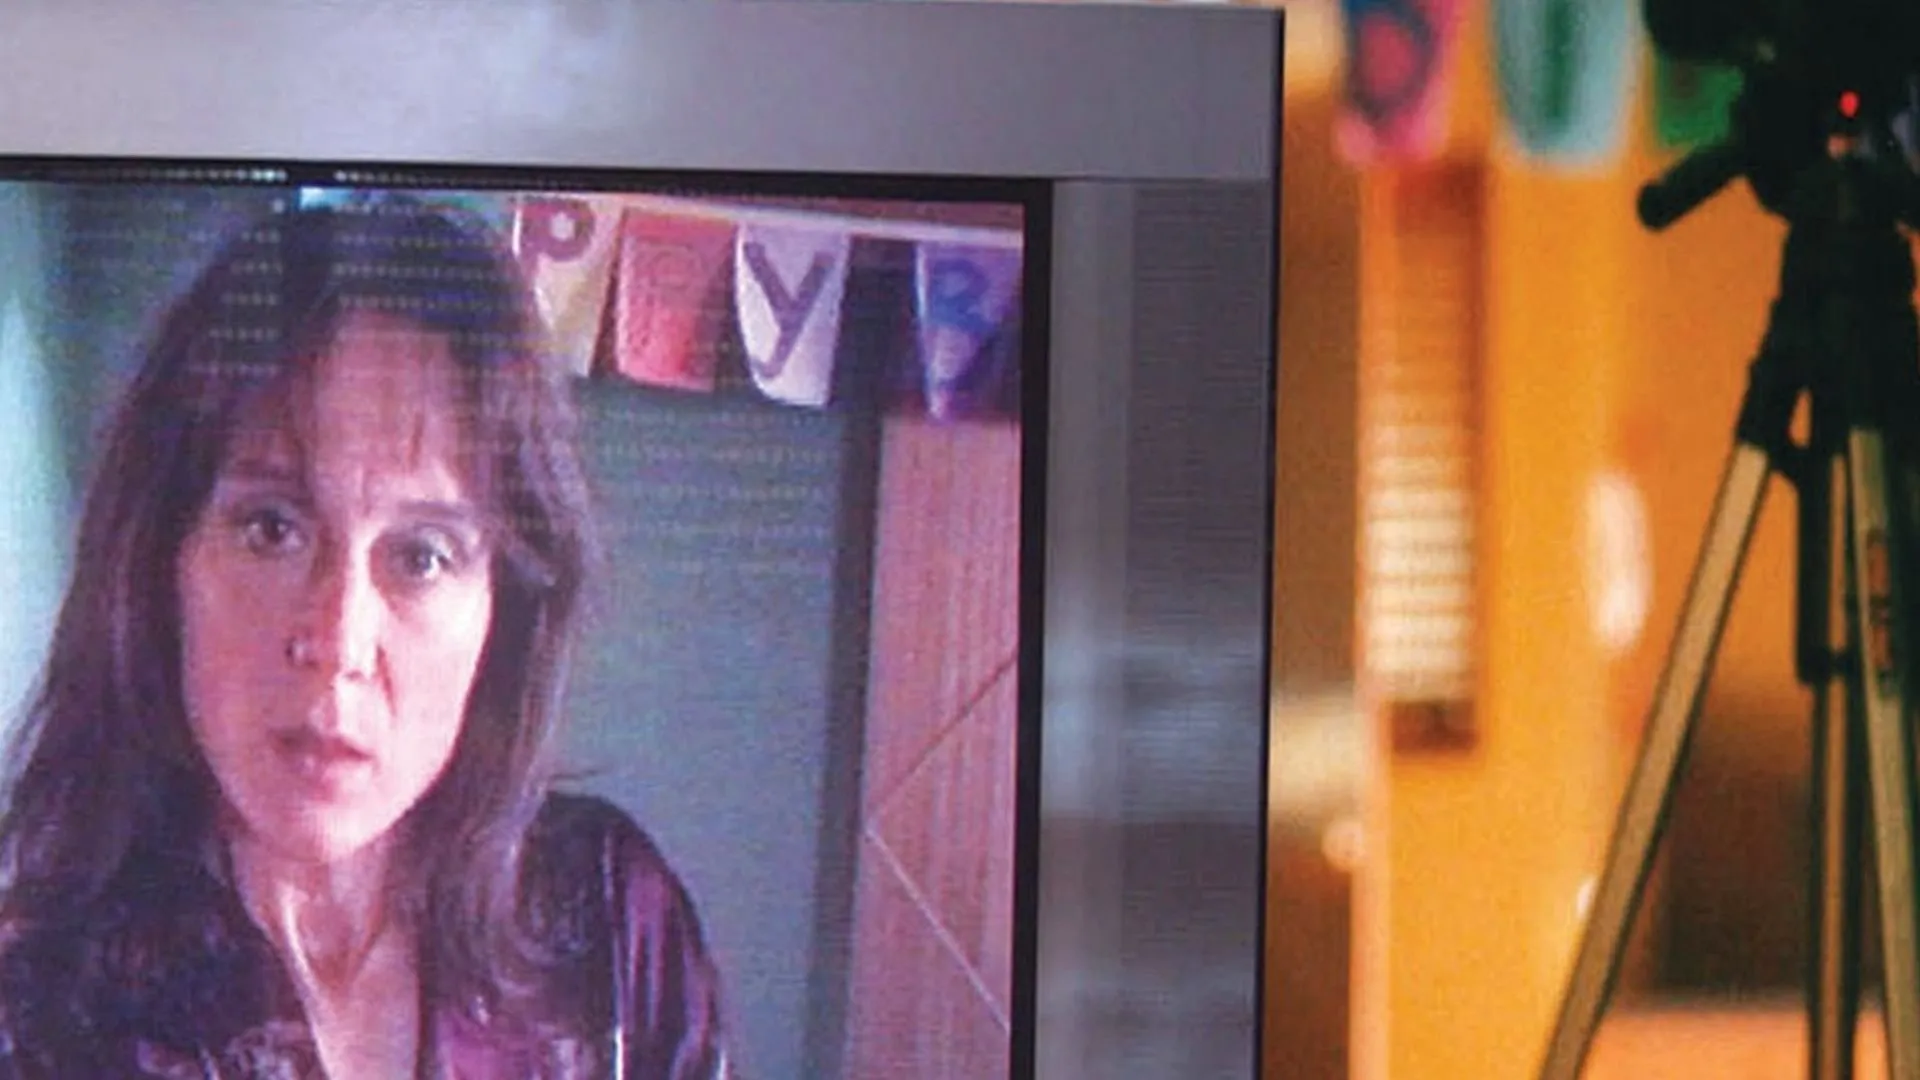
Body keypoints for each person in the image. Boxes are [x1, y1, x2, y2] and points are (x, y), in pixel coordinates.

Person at [0, 193, 726, 1079]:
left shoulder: (611, 923)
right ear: (161, 561)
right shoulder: (36, 1003)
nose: (340, 642)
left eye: (421, 556)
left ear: (502, 611)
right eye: (273, 529)